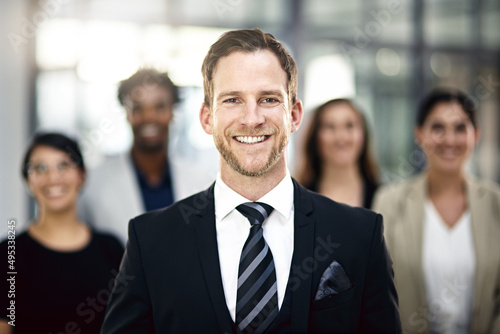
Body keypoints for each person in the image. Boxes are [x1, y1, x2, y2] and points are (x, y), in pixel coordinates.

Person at [101, 28, 401, 334]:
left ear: (294, 115)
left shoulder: (361, 235)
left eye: (268, 98)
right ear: (207, 118)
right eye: (232, 100)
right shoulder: (151, 240)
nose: (252, 118)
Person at [372, 88, 500, 333]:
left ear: (477, 134)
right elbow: (378, 292)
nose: (450, 139)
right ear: (419, 134)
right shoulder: (389, 203)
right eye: (438, 128)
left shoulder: (496, 205)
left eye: (460, 128)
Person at [0, 133, 123, 334]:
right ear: (28, 181)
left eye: (63, 166)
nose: (53, 177)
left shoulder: (112, 249)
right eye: (40, 168)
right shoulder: (9, 255)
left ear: (81, 176)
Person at [78, 69, 213, 245]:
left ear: (172, 111)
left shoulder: (201, 184)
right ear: (126, 113)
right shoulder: (93, 184)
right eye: (138, 108)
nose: (149, 116)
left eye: (159, 107)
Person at [296, 98, 379, 208]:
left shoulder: (384, 198)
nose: (341, 137)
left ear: (364, 135)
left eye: (349, 126)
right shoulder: (296, 200)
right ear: (315, 137)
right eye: (330, 127)